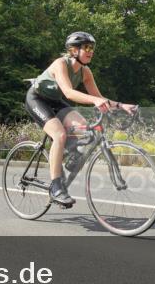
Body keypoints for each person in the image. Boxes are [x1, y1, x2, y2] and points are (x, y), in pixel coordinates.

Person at [25, 31, 137, 207]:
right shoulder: (60, 64)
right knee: (60, 135)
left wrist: (122, 105)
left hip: (55, 101)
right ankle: (56, 188)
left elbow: (99, 97)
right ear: (73, 50)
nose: (90, 51)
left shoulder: (85, 72)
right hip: (37, 100)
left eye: (92, 47)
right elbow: (69, 93)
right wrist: (95, 101)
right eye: (86, 47)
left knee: (84, 128)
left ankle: (70, 155)